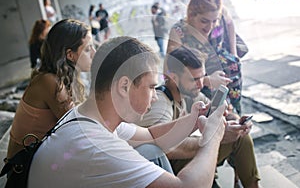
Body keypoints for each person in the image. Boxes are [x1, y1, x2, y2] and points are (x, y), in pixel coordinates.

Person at [28, 36, 227, 188]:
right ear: (124, 86)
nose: (155, 96)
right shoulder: (95, 144)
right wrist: (212, 137)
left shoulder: (90, 117)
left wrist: (193, 120)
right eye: (151, 87)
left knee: (150, 150)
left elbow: (151, 136)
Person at [139, 46, 261, 188]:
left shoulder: (190, 93)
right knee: (235, 139)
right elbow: (160, 147)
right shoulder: (160, 102)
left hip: (185, 163)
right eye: (194, 79)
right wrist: (212, 139)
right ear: (173, 78)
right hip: (170, 176)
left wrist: (236, 121)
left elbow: (218, 111)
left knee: (240, 135)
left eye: (202, 77)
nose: (200, 84)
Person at [6, 19, 95, 159]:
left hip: (42, 158)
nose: (94, 53)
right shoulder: (49, 82)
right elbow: (80, 127)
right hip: (24, 170)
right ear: (70, 55)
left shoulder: (63, 77)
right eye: (88, 49)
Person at [166, 0, 243, 115]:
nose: (210, 27)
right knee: (218, 120)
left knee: (236, 117)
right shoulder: (179, 33)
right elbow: (169, 75)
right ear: (191, 15)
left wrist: (233, 54)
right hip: (203, 91)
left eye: (214, 21)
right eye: (204, 21)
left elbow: (229, 23)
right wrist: (206, 80)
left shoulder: (222, 12)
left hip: (232, 83)